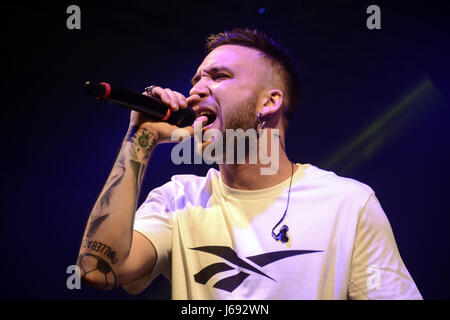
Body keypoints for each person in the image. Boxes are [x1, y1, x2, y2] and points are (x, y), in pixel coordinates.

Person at [77, 28, 422, 299]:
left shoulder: (348, 203)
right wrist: (141, 138)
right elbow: (98, 271)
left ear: (270, 101)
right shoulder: (178, 199)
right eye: (196, 79)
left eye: (219, 76)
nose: (196, 90)